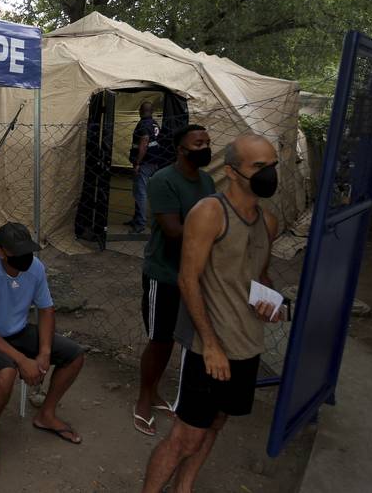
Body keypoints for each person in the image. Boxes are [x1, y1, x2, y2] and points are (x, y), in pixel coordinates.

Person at [141, 135, 283, 493]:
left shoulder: (269, 222)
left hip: (247, 343)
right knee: (185, 437)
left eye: (273, 165)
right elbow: (188, 279)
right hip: (210, 348)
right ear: (233, 172)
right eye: (259, 167)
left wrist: (271, 303)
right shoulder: (209, 213)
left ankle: (184, 487)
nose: (269, 174)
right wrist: (211, 344)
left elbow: (257, 276)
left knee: (217, 422)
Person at [0, 222, 86, 477]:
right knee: (6, 373)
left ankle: (46, 415)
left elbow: (46, 309)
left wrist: (45, 352)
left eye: (27, 250)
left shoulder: (35, 268)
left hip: (16, 330)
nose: (25, 257)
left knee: (74, 355)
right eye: (17, 252)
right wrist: (21, 360)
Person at [133, 125, 216, 436]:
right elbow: (173, 230)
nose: (205, 146)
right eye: (198, 142)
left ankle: (155, 392)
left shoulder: (207, 181)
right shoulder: (163, 180)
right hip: (165, 274)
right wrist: (216, 234)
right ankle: (143, 399)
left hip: (195, 275)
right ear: (181, 149)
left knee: (176, 339)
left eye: (208, 142)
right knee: (159, 340)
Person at [127, 101, 166, 233]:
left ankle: (140, 223)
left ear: (140, 111)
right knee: (141, 191)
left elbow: (143, 143)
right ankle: (137, 218)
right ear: (152, 111)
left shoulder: (143, 124)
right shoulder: (154, 123)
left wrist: (137, 163)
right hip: (155, 161)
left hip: (145, 162)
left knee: (140, 192)